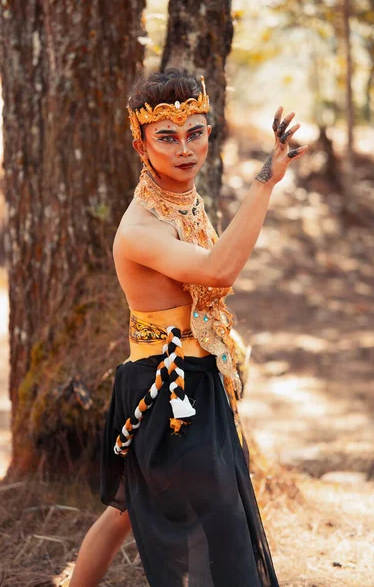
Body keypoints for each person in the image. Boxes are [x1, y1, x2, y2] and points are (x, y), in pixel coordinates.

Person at [69, 67, 308, 587]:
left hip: (195, 378)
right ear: (141, 144)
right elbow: (218, 271)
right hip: (165, 386)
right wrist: (265, 181)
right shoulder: (140, 228)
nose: (185, 149)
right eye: (167, 137)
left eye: (195, 133)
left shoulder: (183, 201)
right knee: (223, 518)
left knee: (126, 511)